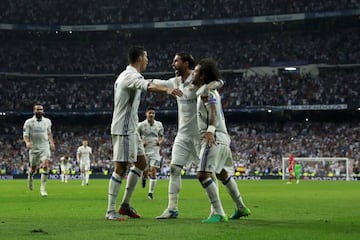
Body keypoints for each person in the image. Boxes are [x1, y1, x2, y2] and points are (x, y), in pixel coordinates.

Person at [105, 45, 183, 221]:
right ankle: (110, 210)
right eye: (146, 57)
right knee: (120, 168)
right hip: (123, 129)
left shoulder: (129, 75)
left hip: (132, 129)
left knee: (141, 163)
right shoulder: (129, 76)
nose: (148, 60)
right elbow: (146, 85)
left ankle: (125, 205)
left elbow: (146, 81)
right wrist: (167, 90)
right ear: (140, 58)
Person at [154, 52, 223, 219]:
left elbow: (220, 81)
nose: (172, 64)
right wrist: (167, 89)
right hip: (183, 135)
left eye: (175, 60)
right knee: (173, 168)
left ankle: (216, 209)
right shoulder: (175, 81)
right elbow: (152, 83)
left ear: (185, 63)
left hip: (200, 135)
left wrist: (209, 87)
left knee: (209, 173)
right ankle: (172, 208)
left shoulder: (197, 77)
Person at [192, 58, 251, 222]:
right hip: (224, 138)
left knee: (202, 174)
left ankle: (219, 212)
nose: (193, 74)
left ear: (203, 75)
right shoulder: (209, 89)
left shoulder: (207, 92)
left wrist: (210, 130)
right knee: (222, 173)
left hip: (214, 138)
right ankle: (241, 207)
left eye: (196, 72)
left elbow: (212, 111)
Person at [23, 103, 55, 197]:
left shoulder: (47, 121)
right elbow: (25, 135)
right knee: (33, 168)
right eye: (37, 109)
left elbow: (49, 133)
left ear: (43, 111)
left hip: (44, 147)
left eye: (41, 109)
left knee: (45, 165)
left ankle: (43, 189)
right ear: (34, 111)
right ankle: (30, 177)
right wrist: (27, 143)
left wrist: (52, 143)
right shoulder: (29, 122)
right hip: (34, 148)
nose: (39, 111)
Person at [138, 106, 165, 200]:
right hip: (144, 151)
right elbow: (136, 137)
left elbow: (162, 137)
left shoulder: (159, 124)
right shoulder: (141, 125)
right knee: (145, 172)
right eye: (150, 113)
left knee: (153, 171)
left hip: (155, 151)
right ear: (146, 114)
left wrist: (160, 142)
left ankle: (150, 193)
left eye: (153, 113)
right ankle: (144, 178)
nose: (151, 115)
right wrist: (141, 143)